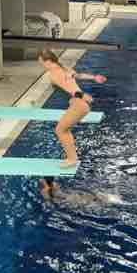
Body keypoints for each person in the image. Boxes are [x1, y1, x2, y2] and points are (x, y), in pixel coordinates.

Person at [37, 49, 107, 194]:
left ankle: (72, 159)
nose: (42, 65)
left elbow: (70, 89)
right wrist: (94, 77)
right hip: (79, 104)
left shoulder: (54, 74)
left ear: (48, 61)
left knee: (60, 130)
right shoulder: (64, 68)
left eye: (41, 63)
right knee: (64, 129)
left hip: (78, 104)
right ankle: (72, 158)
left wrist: (82, 95)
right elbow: (79, 76)